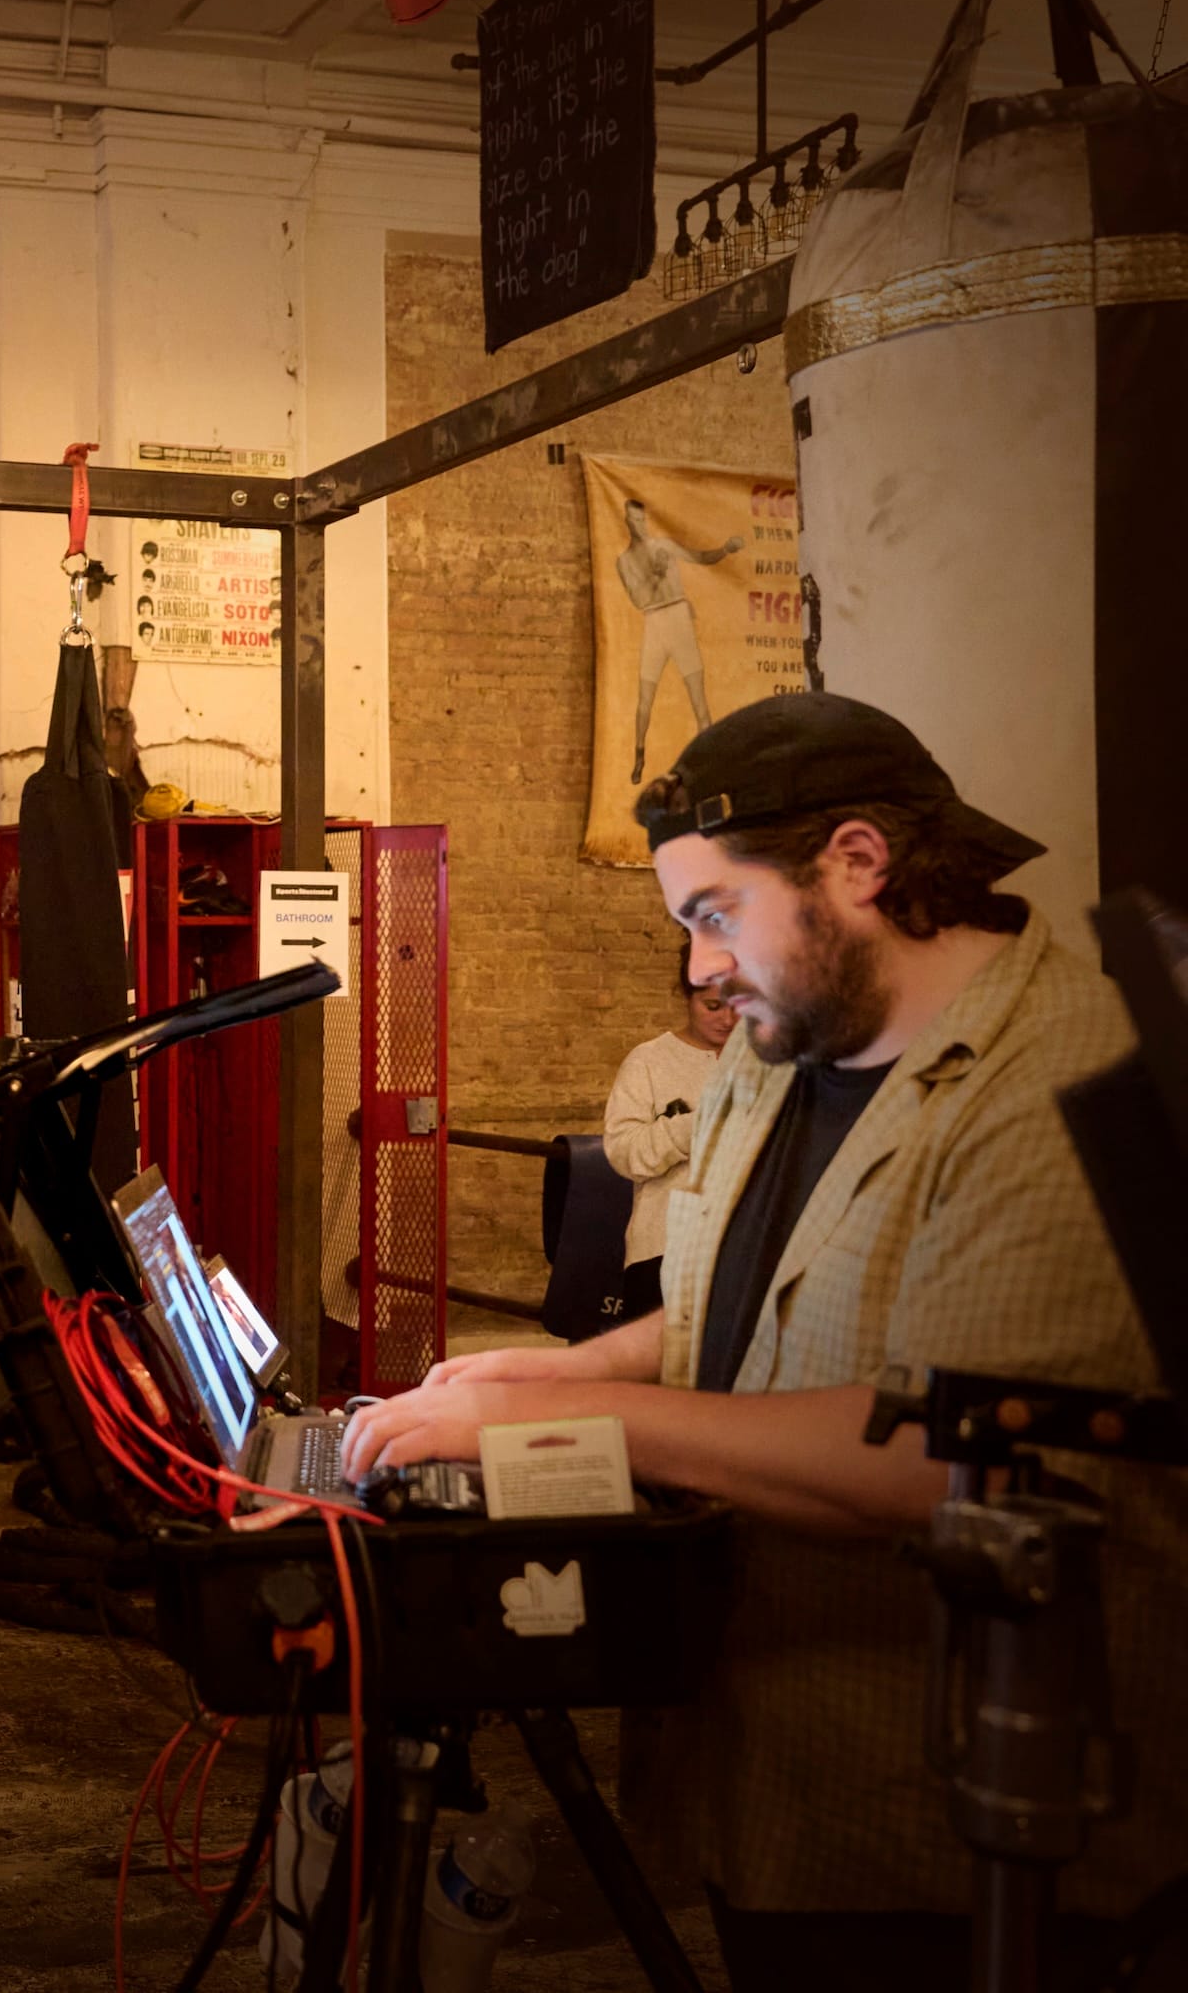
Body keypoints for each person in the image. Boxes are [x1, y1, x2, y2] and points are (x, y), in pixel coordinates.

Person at [343, 695, 1184, 1986]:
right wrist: (572, 1366)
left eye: (717, 914)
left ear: (858, 861)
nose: (701, 969)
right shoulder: (781, 1048)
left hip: (968, 1826)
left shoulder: (1069, 1077)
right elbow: (744, 1301)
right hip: (771, 1771)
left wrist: (558, 1418)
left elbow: (942, 1459)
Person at [600, 942, 735, 1324]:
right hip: (664, 1248)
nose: (727, 1019)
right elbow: (623, 1152)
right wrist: (692, 1127)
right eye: (712, 1006)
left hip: (743, 1249)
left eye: (737, 1006)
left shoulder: (766, 1062)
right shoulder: (649, 1061)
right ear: (686, 997)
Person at [616, 495, 743, 783]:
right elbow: (638, 600)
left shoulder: (664, 546)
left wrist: (725, 549)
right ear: (627, 522)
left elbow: (699, 558)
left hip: (678, 617)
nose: (640, 525)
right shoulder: (624, 561)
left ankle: (708, 761)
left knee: (698, 696)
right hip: (654, 621)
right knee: (645, 699)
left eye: (642, 520)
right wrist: (656, 575)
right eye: (634, 520)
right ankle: (639, 756)